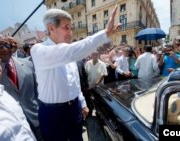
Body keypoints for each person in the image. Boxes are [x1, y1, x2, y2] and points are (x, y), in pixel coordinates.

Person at [30, 5, 121, 141]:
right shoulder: (39, 50)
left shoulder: (70, 54)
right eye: (66, 27)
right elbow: (72, 51)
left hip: (74, 108)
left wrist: (82, 103)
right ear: (51, 28)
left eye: (71, 28)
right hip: (53, 113)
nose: (70, 32)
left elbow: (74, 82)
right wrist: (105, 33)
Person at [0, 34, 42, 140]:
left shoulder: (28, 64)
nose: (5, 49)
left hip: (37, 122)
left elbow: (38, 93)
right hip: (11, 129)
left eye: (8, 45)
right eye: (0, 45)